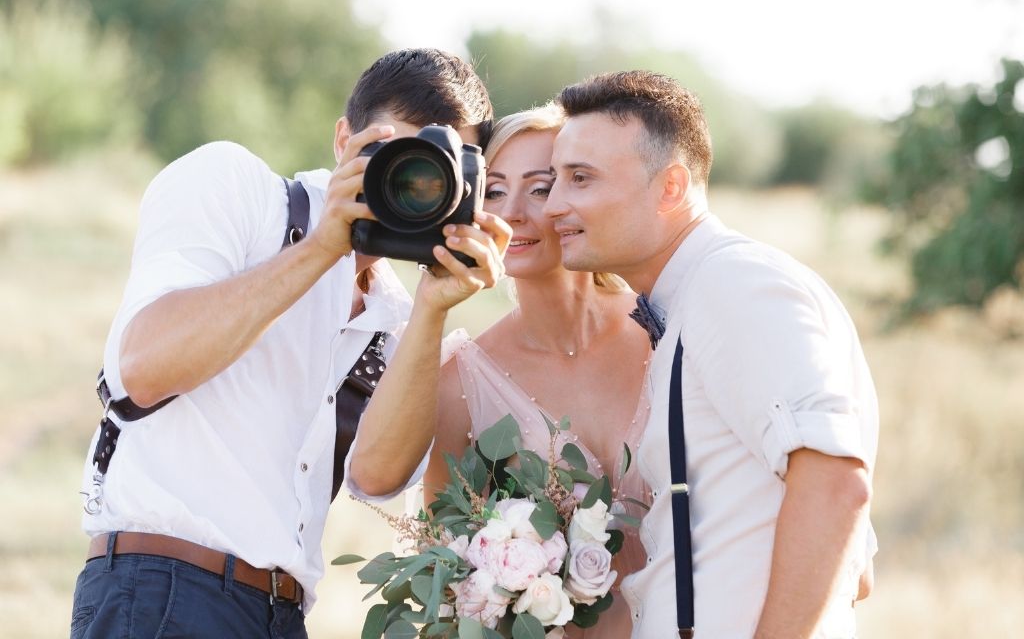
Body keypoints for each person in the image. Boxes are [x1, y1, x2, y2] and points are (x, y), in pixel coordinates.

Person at [70, 48, 509, 639]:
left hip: (280, 615)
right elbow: (143, 366)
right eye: (396, 156)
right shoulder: (237, 187)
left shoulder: (398, 317)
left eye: (433, 173)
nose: (409, 184)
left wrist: (435, 304)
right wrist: (323, 248)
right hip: (162, 588)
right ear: (342, 139)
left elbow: (376, 480)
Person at [544, 71, 879, 638]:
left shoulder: (736, 284)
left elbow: (835, 484)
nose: (554, 205)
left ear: (671, 187)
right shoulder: (697, 296)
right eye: (555, 179)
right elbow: (859, 570)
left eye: (580, 178)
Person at [414, 104, 654, 637]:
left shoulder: (666, 333)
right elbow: (443, 575)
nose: (513, 213)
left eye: (541, 188)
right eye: (494, 191)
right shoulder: (462, 384)